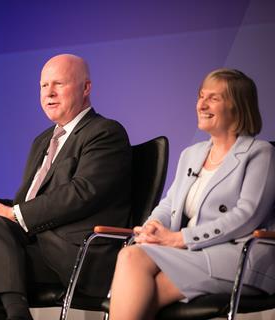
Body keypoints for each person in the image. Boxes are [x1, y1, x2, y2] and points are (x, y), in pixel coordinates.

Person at [0, 54, 132, 320]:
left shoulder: (104, 132)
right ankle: (17, 312)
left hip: (76, 256)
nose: (48, 93)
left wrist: (11, 214)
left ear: (86, 88)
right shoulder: (42, 141)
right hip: (36, 248)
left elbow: (81, 193)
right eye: (43, 85)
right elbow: (25, 204)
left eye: (58, 84)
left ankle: (17, 312)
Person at [109, 68, 275, 320]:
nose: (202, 104)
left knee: (138, 272)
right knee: (135, 261)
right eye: (200, 96)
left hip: (239, 256)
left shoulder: (260, 153)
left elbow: (247, 216)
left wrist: (179, 239)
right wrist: (152, 227)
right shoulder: (192, 154)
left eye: (214, 98)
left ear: (237, 107)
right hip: (194, 254)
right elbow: (169, 204)